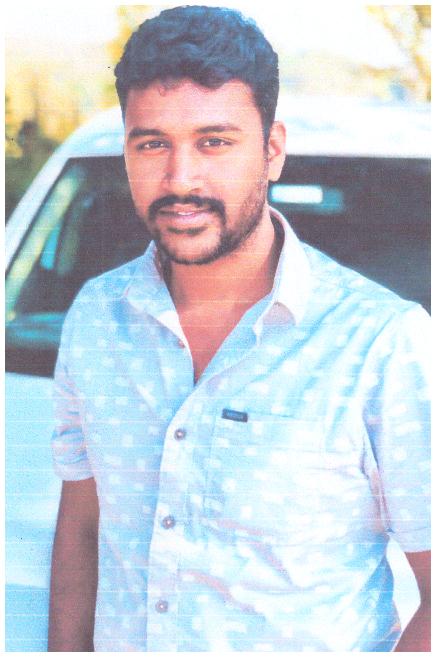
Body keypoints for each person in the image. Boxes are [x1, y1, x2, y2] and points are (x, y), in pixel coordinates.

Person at [48, 5, 430, 652]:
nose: (181, 179)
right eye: (153, 143)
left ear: (272, 150)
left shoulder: (381, 344)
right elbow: (82, 532)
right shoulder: (96, 319)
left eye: (214, 142)